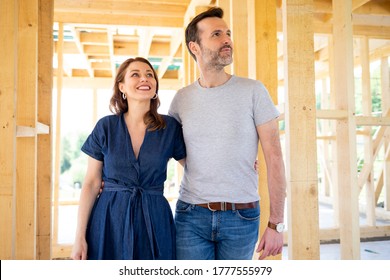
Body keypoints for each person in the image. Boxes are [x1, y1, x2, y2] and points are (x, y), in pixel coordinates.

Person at [168, 7, 286, 260]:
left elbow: (275, 157)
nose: (227, 40)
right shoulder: (181, 99)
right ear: (195, 47)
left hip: (242, 217)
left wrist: (276, 224)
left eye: (228, 33)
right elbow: (167, 148)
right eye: (216, 34)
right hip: (191, 216)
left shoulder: (253, 91)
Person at [71, 57, 186, 260]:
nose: (145, 78)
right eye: (136, 74)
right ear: (122, 87)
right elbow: (91, 183)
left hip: (155, 218)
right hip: (109, 219)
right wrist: (79, 237)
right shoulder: (105, 127)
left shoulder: (169, 127)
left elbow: (196, 165)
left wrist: (240, 162)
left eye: (149, 75)